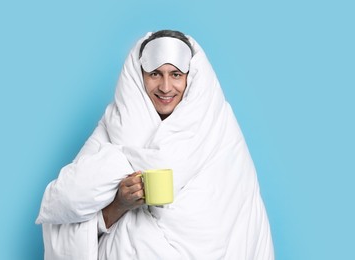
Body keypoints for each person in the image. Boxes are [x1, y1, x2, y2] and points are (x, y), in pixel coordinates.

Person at [36, 30, 275, 259]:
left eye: (176, 74)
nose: (166, 87)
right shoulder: (113, 126)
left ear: (191, 78)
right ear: (140, 76)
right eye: (155, 74)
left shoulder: (219, 130)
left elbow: (240, 225)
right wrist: (119, 204)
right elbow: (67, 209)